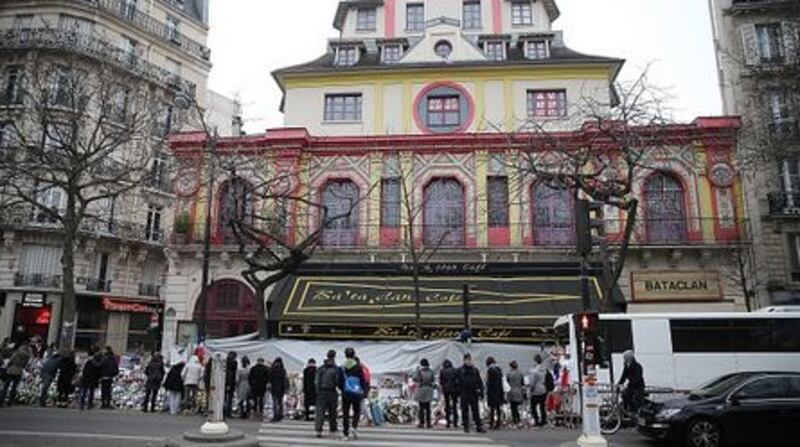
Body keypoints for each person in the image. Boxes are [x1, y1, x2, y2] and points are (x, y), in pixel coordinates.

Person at [340, 347, 369, 441]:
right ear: (353, 355)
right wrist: (362, 390)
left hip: (346, 392)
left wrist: (343, 389)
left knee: (345, 413)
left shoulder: (342, 367)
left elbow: (339, 380)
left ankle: (345, 434)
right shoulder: (358, 367)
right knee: (356, 411)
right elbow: (362, 380)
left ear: (345, 355)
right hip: (356, 392)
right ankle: (354, 426)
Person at [315, 350, 341, 438]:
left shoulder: (321, 368)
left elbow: (316, 381)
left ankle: (318, 430)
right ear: (334, 356)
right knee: (332, 412)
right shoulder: (336, 369)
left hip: (322, 392)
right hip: (332, 391)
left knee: (320, 412)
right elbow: (337, 381)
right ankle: (333, 429)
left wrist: (318, 391)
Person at [457, 353, 485, 433]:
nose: (469, 361)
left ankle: (478, 426)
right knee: (464, 410)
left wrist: (481, 392)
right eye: (467, 360)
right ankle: (466, 426)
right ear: (464, 360)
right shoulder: (460, 370)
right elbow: (456, 381)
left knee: (475, 410)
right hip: (464, 392)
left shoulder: (475, 370)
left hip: (473, 392)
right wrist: (458, 391)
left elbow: (479, 382)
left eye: (470, 360)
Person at [0, 340, 32, 406]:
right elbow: (26, 363)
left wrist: (8, 365)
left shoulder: (18, 352)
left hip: (12, 369)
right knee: (14, 387)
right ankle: (10, 401)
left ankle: (1, 400)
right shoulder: (28, 354)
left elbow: (11, 360)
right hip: (19, 370)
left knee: (6, 386)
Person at [413, 358, 435, 429]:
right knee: (428, 408)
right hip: (428, 389)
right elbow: (433, 380)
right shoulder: (431, 371)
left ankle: (422, 423)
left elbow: (415, 379)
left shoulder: (420, 371)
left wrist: (416, 371)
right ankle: (428, 423)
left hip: (421, 389)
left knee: (421, 408)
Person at [529, 354, 549, 427]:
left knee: (533, 407)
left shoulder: (534, 371)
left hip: (536, 390)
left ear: (535, 361)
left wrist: (531, 389)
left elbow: (532, 382)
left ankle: (536, 420)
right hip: (543, 389)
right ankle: (543, 421)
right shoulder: (544, 369)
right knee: (542, 406)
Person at [485, 357, 504, 430]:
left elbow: (489, 382)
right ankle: (498, 423)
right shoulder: (499, 369)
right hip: (499, 391)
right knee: (498, 408)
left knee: (492, 408)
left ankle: (492, 422)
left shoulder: (490, 370)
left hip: (492, 391)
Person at [439, 359, 459, 429]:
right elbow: (457, 380)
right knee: (454, 406)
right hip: (454, 389)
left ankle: (448, 422)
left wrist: (444, 385)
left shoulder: (442, 371)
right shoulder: (454, 370)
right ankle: (455, 422)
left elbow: (441, 381)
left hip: (446, 389)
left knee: (447, 405)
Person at [506, 361, 526, 427]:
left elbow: (507, 382)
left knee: (513, 407)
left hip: (512, 391)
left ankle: (515, 420)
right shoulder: (521, 373)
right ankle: (519, 419)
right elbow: (523, 383)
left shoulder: (509, 374)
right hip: (519, 391)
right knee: (518, 406)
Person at [269, 357, 289, 422]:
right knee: (280, 402)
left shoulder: (272, 370)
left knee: (275, 402)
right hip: (281, 389)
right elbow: (285, 380)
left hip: (274, 388)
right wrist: (285, 388)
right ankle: (280, 415)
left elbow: (270, 379)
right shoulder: (283, 370)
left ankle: (276, 415)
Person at [224, 351, 238, 418]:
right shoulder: (234, 363)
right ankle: (228, 412)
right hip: (231, 383)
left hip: (224, 382)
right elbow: (232, 374)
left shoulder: (225, 362)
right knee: (229, 398)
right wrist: (229, 384)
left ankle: (223, 411)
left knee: (224, 398)